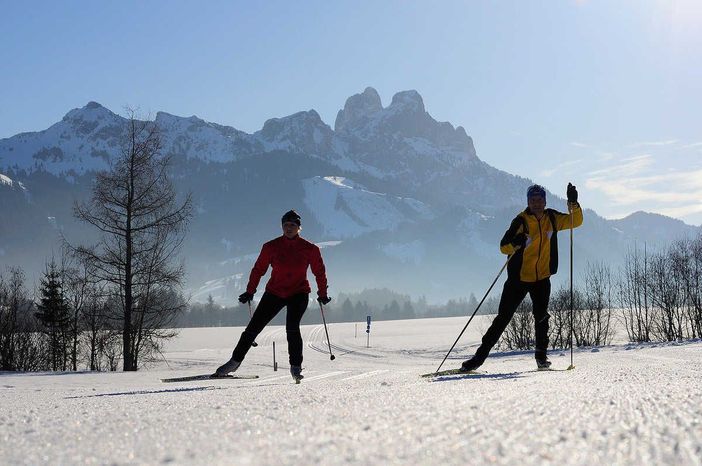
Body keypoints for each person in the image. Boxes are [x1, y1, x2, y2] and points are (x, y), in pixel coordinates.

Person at [461, 183, 583, 371]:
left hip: (541, 278)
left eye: (539, 200)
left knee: (542, 318)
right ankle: (477, 359)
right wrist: (514, 243)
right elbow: (503, 247)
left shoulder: (552, 218)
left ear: (544, 201)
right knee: (503, 319)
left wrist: (573, 203)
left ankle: (541, 359)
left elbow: (576, 221)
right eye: (532, 200)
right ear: (528, 202)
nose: (536, 203)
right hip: (518, 280)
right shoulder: (520, 221)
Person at [215, 210, 331, 381]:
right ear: (282, 227)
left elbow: (319, 272)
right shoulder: (271, 246)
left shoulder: (310, 249)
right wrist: (250, 290)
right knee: (253, 328)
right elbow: (259, 269)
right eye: (285, 225)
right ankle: (234, 361)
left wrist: (322, 294)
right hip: (275, 292)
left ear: (299, 228)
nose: (289, 228)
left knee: (292, 327)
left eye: (292, 225)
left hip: (299, 293)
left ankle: (295, 367)